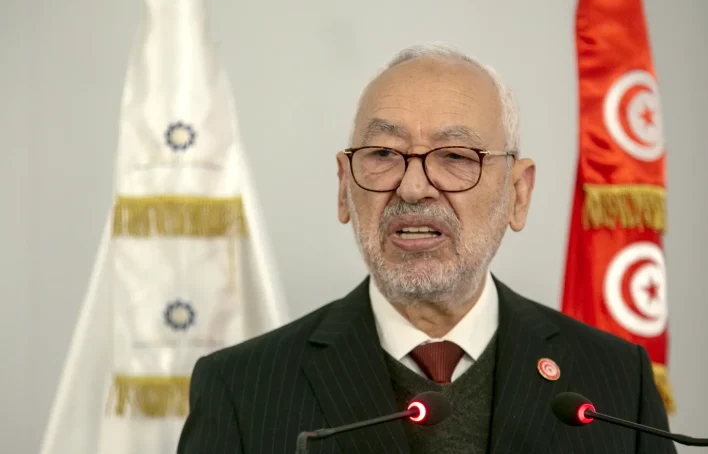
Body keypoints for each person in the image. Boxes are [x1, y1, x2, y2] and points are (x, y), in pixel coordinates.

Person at [177, 43, 676, 453]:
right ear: (343, 188)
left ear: (517, 195)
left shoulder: (615, 383)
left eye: (455, 156)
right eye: (383, 154)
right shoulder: (242, 389)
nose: (414, 188)